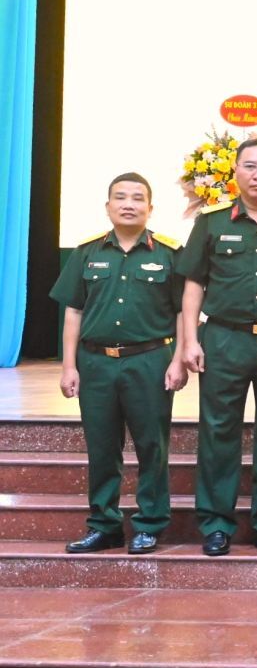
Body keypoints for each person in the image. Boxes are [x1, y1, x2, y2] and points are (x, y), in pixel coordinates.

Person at [177, 138, 257, 556]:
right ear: (236, 172)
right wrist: (190, 340)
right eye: (250, 166)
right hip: (224, 339)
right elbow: (193, 283)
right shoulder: (211, 222)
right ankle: (215, 524)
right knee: (218, 432)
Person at [51, 173, 187, 554]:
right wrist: (69, 366)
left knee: (151, 446)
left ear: (150, 208)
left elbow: (183, 311)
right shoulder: (86, 252)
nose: (129, 204)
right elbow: (73, 312)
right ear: (108, 206)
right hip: (96, 364)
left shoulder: (169, 253)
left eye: (137, 198)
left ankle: (150, 524)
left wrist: (178, 359)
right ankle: (104, 525)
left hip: (150, 361)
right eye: (121, 197)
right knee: (101, 447)